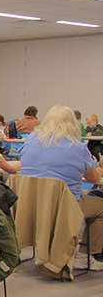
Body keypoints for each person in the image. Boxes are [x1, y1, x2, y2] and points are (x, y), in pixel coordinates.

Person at [19, 105, 103, 270]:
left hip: (31, 204)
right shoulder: (77, 147)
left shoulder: (30, 140)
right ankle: (85, 254)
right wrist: (100, 168)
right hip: (66, 205)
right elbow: (92, 177)